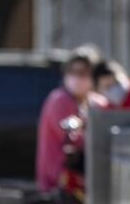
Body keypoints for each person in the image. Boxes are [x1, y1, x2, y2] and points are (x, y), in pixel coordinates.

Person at [36, 46, 107, 195]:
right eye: (72, 72)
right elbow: (72, 138)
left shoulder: (93, 102)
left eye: (83, 73)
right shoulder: (60, 100)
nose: (77, 78)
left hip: (84, 182)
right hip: (59, 184)